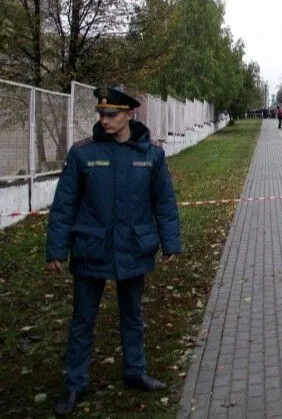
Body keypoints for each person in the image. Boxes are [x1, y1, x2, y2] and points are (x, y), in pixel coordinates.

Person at [46, 86, 181, 416]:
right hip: (92, 248)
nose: (104, 120)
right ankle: (75, 384)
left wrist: (171, 243)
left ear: (128, 115)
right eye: (101, 114)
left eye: (111, 114)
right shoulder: (82, 154)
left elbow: (164, 203)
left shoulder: (150, 155)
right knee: (82, 320)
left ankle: (135, 371)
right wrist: (56, 250)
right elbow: (64, 205)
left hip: (134, 248)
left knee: (132, 317)